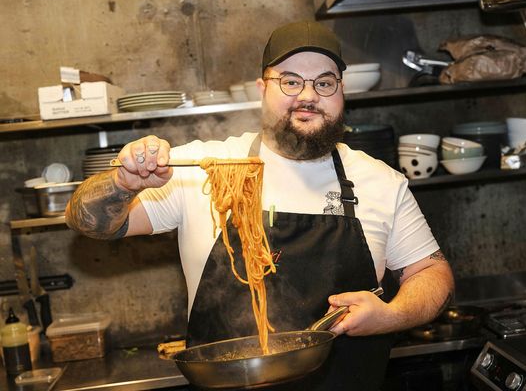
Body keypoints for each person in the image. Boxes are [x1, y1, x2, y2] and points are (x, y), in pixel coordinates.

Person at [66, 21, 454, 390]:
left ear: (341, 91)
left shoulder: (380, 181)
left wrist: (390, 315)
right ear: (261, 89)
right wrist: (122, 182)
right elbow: (92, 223)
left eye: (324, 82)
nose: (307, 95)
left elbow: (432, 274)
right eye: (289, 81)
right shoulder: (204, 167)